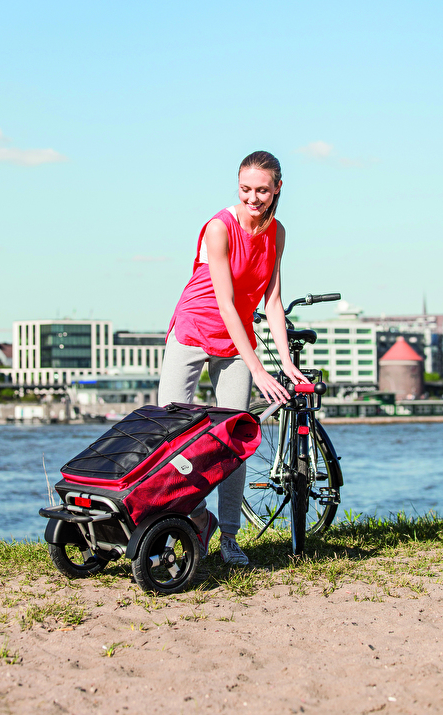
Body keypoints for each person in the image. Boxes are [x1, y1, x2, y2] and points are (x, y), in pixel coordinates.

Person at [158, 150, 307, 565]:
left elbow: (273, 300)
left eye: (262, 190)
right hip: (193, 330)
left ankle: (228, 536)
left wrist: (285, 362)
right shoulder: (219, 228)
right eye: (245, 189)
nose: (253, 198)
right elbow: (225, 302)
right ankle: (184, 522)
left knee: (235, 439)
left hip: (236, 340)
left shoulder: (277, 233)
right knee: (170, 433)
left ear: (278, 188)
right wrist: (258, 368)